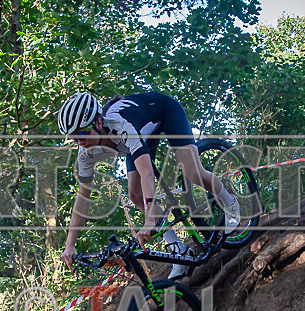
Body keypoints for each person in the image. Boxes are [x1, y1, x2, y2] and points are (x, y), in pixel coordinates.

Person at [58, 91, 240, 279]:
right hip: (139, 135)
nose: (79, 141)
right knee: (135, 195)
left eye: (81, 133)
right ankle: (179, 251)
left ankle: (231, 204)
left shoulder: (120, 125)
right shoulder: (85, 153)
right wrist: (69, 245)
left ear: (98, 123)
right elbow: (83, 197)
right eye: (73, 138)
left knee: (193, 172)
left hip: (164, 112)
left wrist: (150, 220)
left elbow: (147, 173)